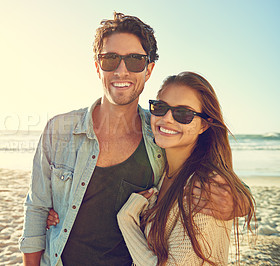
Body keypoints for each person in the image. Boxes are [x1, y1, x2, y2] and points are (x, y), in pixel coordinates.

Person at [20, 12, 250, 266]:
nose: (122, 71)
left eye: (135, 60)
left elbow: (217, 179)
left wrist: (237, 202)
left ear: (149, 69)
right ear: (97, 66)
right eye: (110, 59)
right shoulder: (59, 130)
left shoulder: (161, 137)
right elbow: (36, 210)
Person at [117, 72, 255, 265]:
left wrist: (126, 221)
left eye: (184, 114)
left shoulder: (202, 190)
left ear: (204, 125)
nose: (167, 119)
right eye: (160, 107)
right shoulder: (161, 169)